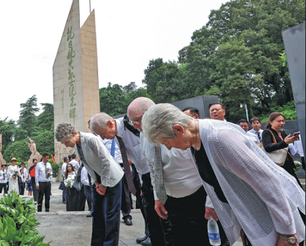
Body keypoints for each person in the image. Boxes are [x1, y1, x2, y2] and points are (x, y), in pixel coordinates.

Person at [142, 103, 305, 246]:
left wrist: (288, 234)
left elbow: (269, 183)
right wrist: (214, 205)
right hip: (256, 218)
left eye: (167, 143)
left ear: (178, 129)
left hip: (280, 222)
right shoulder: (194, 140)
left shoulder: (219, 139)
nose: (169, 148)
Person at [134, 98, 228, 246]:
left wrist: (212, 201)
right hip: (171, 200)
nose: (136, 126)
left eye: (138, 120)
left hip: (199, 196)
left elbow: (210, 168)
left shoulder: (183, 132)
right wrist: (158, 196)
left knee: (205, 240)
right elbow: (152, 167)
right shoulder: (143, 135)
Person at [90, 110, 161, 246]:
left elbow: (149, 157)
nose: (103, 138)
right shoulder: (116, 135)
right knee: (150, 213)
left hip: (155, 175)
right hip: (143, 177)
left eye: (103, 134)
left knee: (160, 216)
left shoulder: (132, 128)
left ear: (110, 124)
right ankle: (151, 236)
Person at [56, 122, 123, 246]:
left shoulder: (91, 139)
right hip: (97, 179)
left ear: (72, 134)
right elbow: (87, 165)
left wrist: (104, 183)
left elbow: (106, 161)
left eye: (66, 142)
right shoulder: (77, 145)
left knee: (111, 215)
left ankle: (109, 243)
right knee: (96, 212)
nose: (66, 146)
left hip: (111, 177)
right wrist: (96, 182)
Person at [100, 134, 133, 226]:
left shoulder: (122, 138)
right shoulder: (101, 138)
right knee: (109, 193)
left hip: (122, 166)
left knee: (125, 193)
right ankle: (111, 216)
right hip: (109, 167)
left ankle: (126, 216)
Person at [262, 112, 301, 185]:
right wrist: (285, 142)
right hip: (278, 165)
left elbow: (286, 147)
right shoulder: (267, 132)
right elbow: (267, 147)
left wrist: (292, 139)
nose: (282, 123)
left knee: (296, 186)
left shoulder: (282, 132)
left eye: (283, 121)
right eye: (279, 121)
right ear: (271, 122)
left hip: (288, 164)